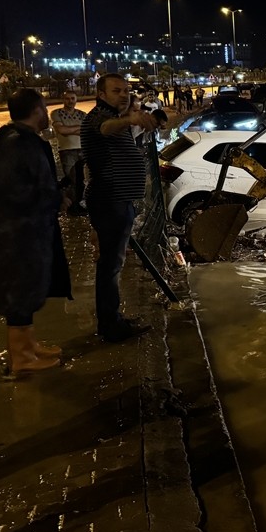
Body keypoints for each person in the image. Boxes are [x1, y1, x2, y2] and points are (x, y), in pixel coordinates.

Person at [0, 88, 72, 373]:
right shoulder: (18, 145)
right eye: (45, 110)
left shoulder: (12, 140)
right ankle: (22, 357)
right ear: (37, 110)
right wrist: (55, 199)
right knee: (20, 291)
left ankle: (28, 346)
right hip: (16, 234)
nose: (47, 115)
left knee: (25, 289)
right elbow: (17, 190)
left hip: (21, 230)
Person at [81, 73, 157, 343]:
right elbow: (104, 128)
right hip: (110, 201)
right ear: (101, 94)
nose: (124, 95)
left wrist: (134, 121)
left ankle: (112, 319)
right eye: (116, 91)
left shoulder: (114, 117)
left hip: (118, 201)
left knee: (112, 264)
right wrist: (131, 119)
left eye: (126, 90)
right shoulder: (99, 117)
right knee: (110, 266)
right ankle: (111, 326)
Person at [51, 90, 88, 212]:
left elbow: (88, 130)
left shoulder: (82, 114)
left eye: (73, 98)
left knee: (81, 180)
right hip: (67, 150)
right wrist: (79, 128)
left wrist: (69, 129)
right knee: (71, 180)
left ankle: (77, 203)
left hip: (82, 149)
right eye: (67, 98)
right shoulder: (56, 113)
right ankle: (72, 207)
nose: (70, 101)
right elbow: (62, 130)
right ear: (63, 99)